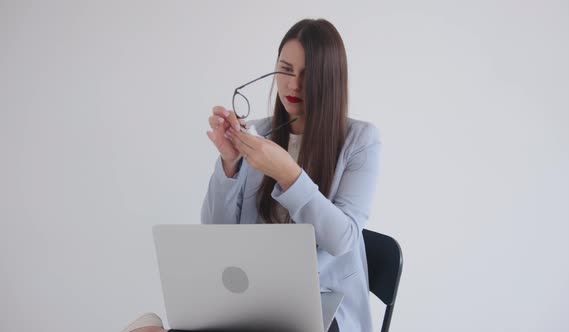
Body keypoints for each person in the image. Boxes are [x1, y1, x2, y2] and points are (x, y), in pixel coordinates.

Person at [121, 18, 380, 332]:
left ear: (330, 79)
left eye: (307, 74)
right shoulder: (260, 134)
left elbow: (343, 239)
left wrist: (288, 173)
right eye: (285, 69)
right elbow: (216, 233)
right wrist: (230, 164)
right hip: (252, 299)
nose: (293, 85)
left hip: (321, 307)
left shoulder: (360, 140)